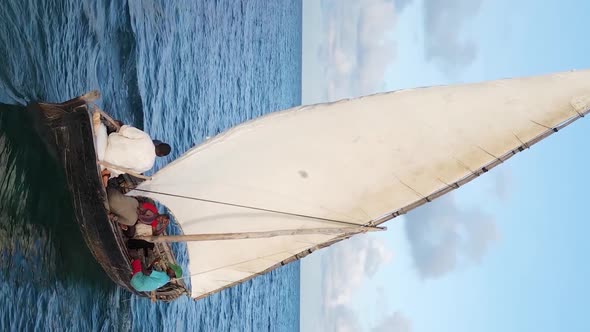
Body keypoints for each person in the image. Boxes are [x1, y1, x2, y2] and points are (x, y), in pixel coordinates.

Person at [92, 110, 171, 184]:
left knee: (105, 127)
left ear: (158, 144)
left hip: (107, 145)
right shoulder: (149, 165)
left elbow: (124, 130)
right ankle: (106, 174)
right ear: (160, 155)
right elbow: (130, 170)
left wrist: (121, 124)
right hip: (107, 164)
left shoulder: (146, 138)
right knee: (120, 170)